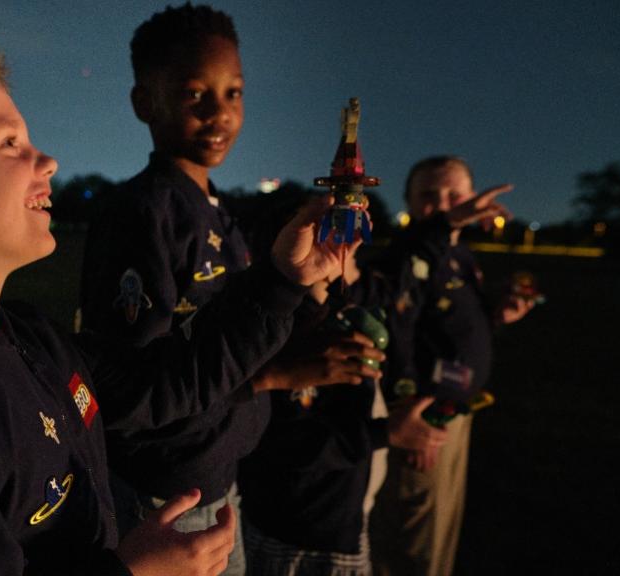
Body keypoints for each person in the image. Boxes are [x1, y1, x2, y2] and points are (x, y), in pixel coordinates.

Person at [0, 34, 345, 576]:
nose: (48, 161)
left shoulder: (30, 338)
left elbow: (157, 384)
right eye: (9, 143)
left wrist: (283, 279)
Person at [79, 6, 356, 573]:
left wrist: (314, 287)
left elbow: (234, 328)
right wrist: (271, 378)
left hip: (219, 478)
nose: (220, 112)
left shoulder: (218, 213)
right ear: (144, 103)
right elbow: (139, 389)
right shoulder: (144, 214)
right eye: (194, 94)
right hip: (167, 497)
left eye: (234, 93)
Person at [236, 194, 449, 576]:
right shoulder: (283, 336)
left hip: (341, 519)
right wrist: (385, 433)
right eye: (333, 235)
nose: (350, 247)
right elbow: (284, 444)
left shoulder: (342, 313)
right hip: (299, 533)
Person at [363, 156, 532, 576]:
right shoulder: (406, 254)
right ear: (407, 200)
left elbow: (442, 326)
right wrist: (408, 413)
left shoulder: (456, 251)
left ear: (472, 197)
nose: (441, 205)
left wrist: (495, 313)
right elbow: (395, 331)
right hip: (421, 420)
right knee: (411, 540)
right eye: (428, 195)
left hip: (453, 412)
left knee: (440, 533)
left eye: (454, 196)